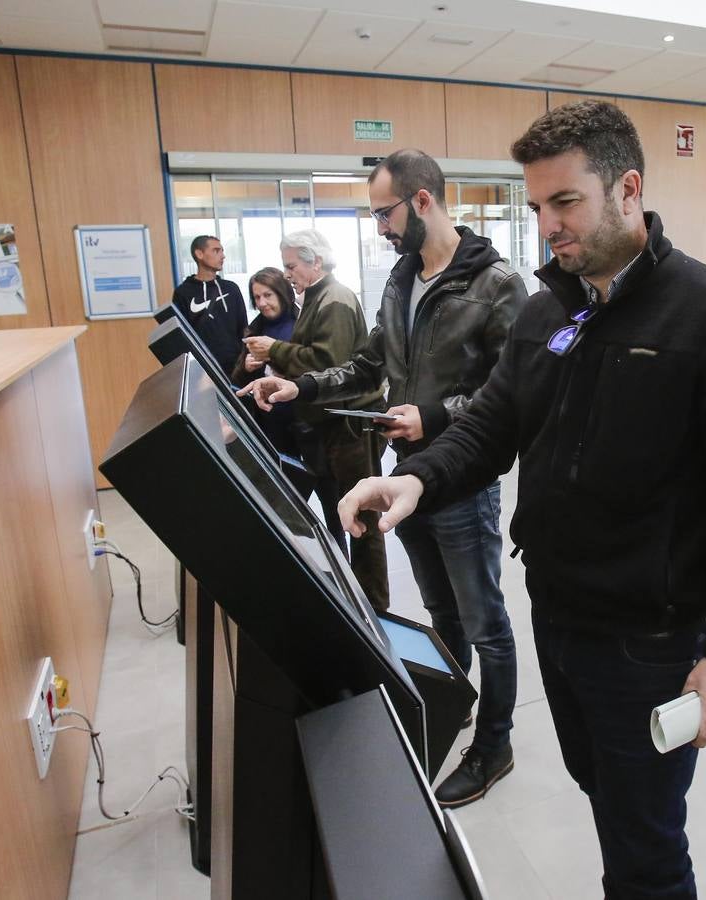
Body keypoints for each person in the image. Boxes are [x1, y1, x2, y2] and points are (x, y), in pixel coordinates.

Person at [335, 100, 706, 899]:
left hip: (650, 637)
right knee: (603, 792)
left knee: (645, 842)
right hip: (560, 613)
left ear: (628, 189)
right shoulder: (551, 310)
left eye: (566, 202)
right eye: (538, 206)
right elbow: (494, 423)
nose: (548, 224)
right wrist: (417, 477)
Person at [240, 149, 526, 809]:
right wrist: (302, 383)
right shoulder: (401, 279)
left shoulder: (496, 284)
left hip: (464, 479)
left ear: (423, 200)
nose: (380, 228)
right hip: (406, 477)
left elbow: (510, 393)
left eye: (384, 213)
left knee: (485, 623)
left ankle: (495, 744)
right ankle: (452, 708)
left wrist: (433, 414)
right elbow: (368, 366)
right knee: (442, 615)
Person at [242, 229, 391, 614]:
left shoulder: (335, 300)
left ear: (316, 262)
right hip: (333, 426)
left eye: (291, 266)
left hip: (351, 426)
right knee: (348, 513)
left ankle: (374, 610)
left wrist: (276, 349)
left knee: (363, 520)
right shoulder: (316, 297)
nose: (287, 273)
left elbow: (330, 365)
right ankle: (358, 602)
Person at [231, 267, 299, 456]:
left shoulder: (302, 324)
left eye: (268, 295)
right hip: (268, 420)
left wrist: (273, 356)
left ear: (282, 292)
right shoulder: (254, 329)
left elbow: (313, 369)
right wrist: (246, 368)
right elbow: (237, 381)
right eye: (257, 297)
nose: (262, 303)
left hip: (303, 420)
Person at [171, 235, 246, 374]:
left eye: (222, 251)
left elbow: (243, 328)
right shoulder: (183, 292)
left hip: (235, 369)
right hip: (201, 369)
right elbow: (180, 335)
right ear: (199, 254)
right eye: (216, 251)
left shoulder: (231, 288)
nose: (223, 256)